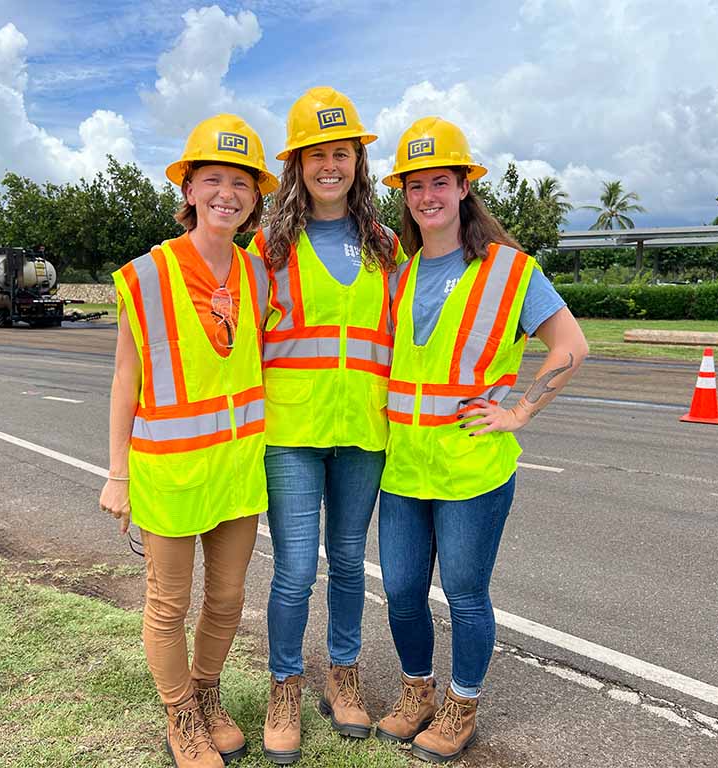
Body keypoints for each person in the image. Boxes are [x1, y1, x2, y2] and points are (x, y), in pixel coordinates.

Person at [373, 117, 589, 763]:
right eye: (415, 185)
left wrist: (520, 412)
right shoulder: (400, 273)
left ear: (465, 187)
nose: (427, 196)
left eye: (440, 181)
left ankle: (462, 704)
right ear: (404, 195)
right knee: (404, 590)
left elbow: (571, 348)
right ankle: (418, 693)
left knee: (465, 594)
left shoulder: (512, 269)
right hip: (405, 466)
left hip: (473, 468)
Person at [99, 114, 278, 768]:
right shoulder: (146, 276)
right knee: (169, 602)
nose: (226, 193)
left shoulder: (259, 275)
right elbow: (126, 377)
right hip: (169, 471)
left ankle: (207, 693)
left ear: (256, 195)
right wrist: (117, 473)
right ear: (190, 189)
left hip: (235, 468)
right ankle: (181, 714)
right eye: (213, 180)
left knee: (228, 597)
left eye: (241, 182)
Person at [246, 87, 405, 764]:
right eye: (317, 156)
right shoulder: (269, 246)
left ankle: (343, 675)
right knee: (292, 570)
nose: (330, 166)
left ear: (358, 162)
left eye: (342, 153)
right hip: (292, 431)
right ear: (298, 165)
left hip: (363, 431)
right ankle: (285, 684)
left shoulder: (388, 246)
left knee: (347, 562)